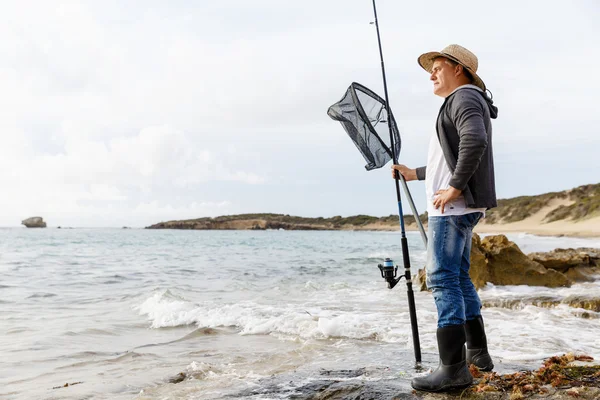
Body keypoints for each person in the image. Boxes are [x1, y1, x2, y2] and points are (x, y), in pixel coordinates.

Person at [391, 44, 498, 392]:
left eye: (438, 67)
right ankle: (477, 357)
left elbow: (474, 141)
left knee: (441, 279)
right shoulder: (462, 100)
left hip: (453, 208)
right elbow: (448, 160)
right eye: (431, 70)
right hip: (461, 206)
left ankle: (452, 369)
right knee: (458, 277)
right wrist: (415, 173)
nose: (432, 74)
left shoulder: (464, 98)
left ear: (460, 69)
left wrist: (453, 188)